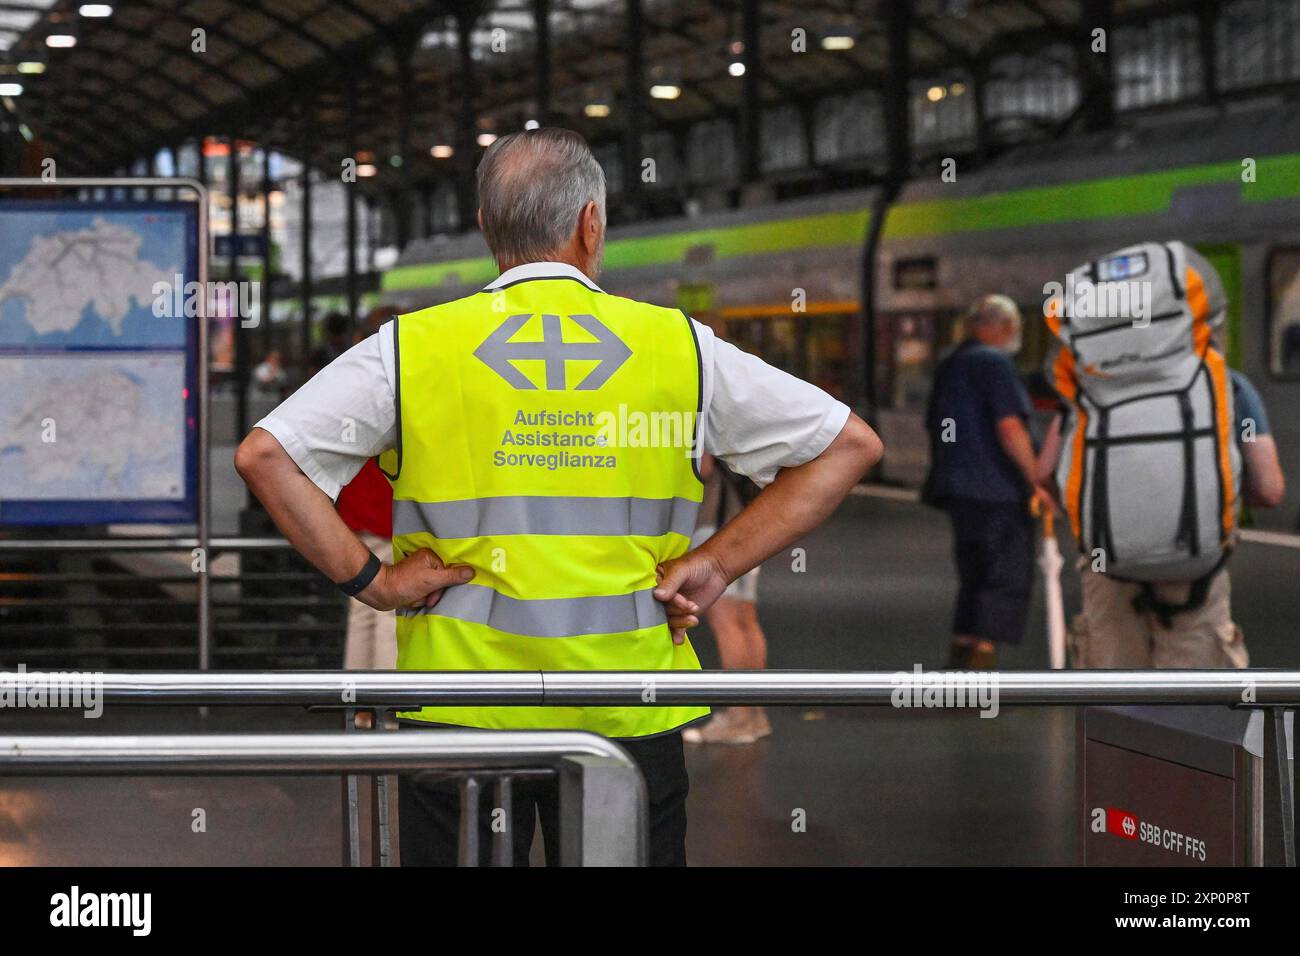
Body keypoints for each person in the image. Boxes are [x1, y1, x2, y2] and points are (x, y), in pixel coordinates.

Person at [235, 127, 882, 866]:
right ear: (591, 224)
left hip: (461, 711)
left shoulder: (410, 347)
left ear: (486, 228)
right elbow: (848, 444)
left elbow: (265, 456)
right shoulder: (679, 345)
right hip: (625, 710)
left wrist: (373, 581)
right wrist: (719, 563)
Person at [1036, 243, 1285, 668]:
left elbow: (1046, 474)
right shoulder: (1227, 385)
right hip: (1196, 571)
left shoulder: (1086, 386)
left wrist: (1103, 513)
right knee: (1196, 718)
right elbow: (1269, 488)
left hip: (1108, 569)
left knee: (1114, 715)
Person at [922, 295, 1050, 669]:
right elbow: (1010, 427)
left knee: (973, 573)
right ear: (995, 327)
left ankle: (959, 659)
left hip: (959, 489)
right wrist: (1037, 478)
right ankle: (982, 668)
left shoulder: (950, 363)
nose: (1015, 335)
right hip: (999, 490)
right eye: (1013, 328)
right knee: (1003, 573)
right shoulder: (995, 363)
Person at [682, 454, 771, 745]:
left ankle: (738, 717)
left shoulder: (702, 412)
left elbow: (703, 466)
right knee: (745, 621)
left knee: (728, 624)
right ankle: (753, 716)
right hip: (747, 528)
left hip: (716, 529)